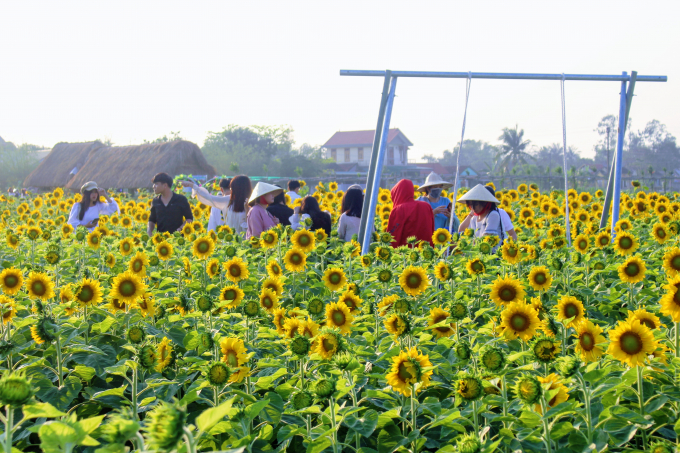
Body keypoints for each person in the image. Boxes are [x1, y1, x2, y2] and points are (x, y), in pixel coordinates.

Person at [181, 177, 253, 235]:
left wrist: (247, 211)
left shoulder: (252, 204)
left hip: (245, 245)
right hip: (230, 242)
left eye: (232, 187)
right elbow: (209, 198)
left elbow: (250, 229)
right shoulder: (228, 201)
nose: (231, 189)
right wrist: (193, 186)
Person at [387, 179, 435, 247]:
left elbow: (392, 238)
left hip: (406, 254)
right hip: (426, 252)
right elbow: (432, 230)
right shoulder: (426, 206)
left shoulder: (398, 210)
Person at [457, 184, 504, 250]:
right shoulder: (474, 218)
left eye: (476, 204)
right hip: (480, 252)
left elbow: (486, 237)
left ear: (484, 203)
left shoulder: (493, 215)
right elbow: (465, 233)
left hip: (493, 255)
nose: (473, 208)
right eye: (471, 205)